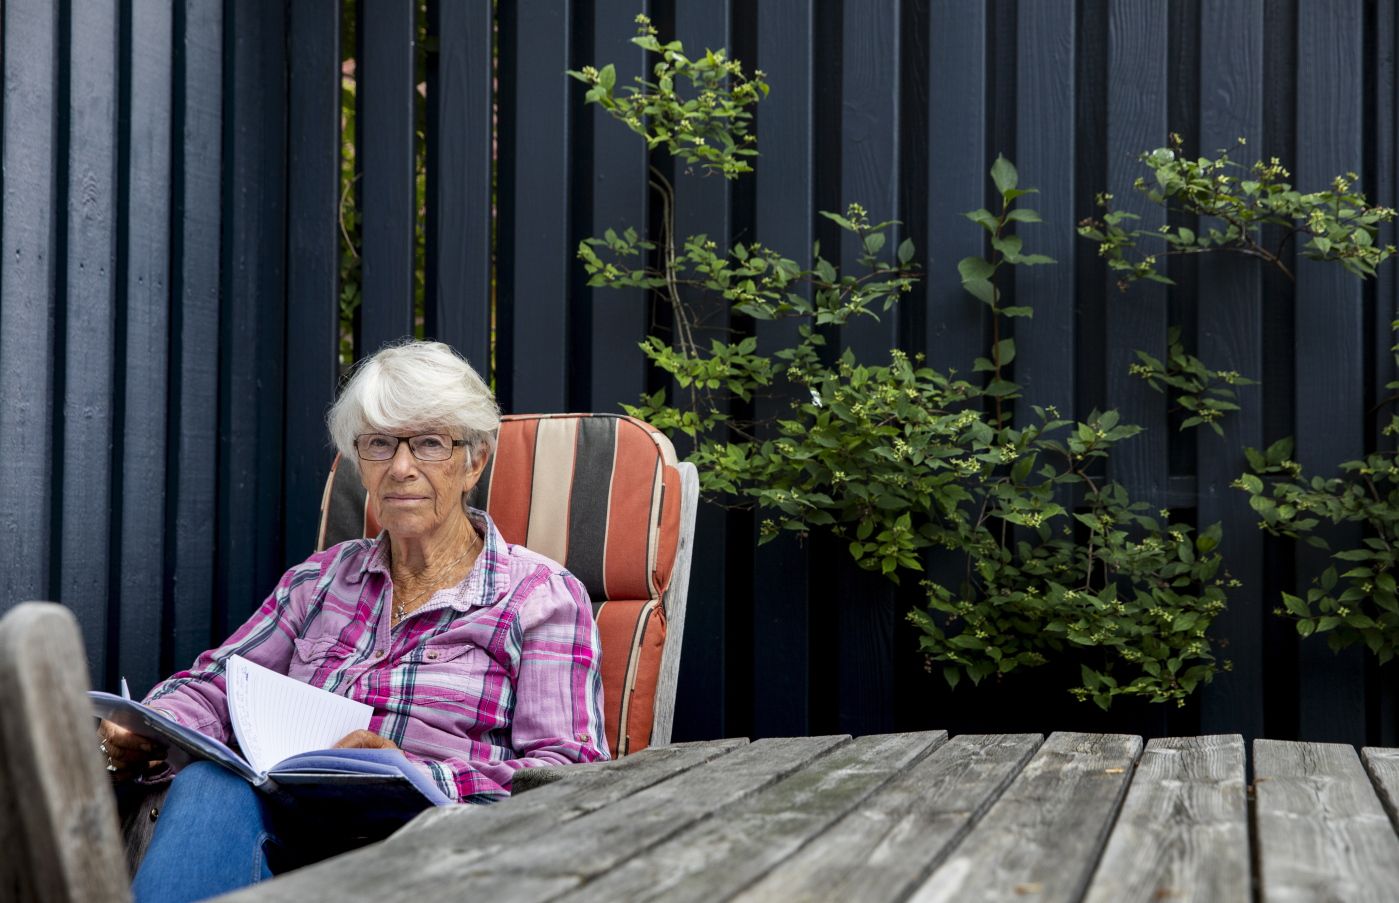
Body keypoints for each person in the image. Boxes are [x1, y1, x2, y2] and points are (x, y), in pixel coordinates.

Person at [97, 340, 609, 901]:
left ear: (475, 462)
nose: (401, 468)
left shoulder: (540, 598)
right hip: (291, 831)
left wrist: (410, 774)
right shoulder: (318, 581)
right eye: (380, 444)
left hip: (435, 849)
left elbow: (567, 775)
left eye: (430, 443)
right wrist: (149, 725)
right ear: (360, 461)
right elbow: (216, 686)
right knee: (207, 783)